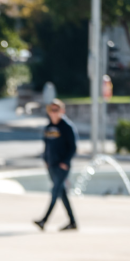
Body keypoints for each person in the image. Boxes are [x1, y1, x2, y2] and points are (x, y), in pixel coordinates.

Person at [34, 99, 78, 231]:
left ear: (62, 111)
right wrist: (45, 160)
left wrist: (65, 162)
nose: (53, 113)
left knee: (55, 192)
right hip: (51, 165)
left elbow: (73, 148)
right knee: (61, 193)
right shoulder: (48, 128)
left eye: (56, 110)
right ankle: (73, 222)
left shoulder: (67, 127)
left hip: (62, 167)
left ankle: (44, 220)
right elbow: (46, 146)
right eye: (51, 110)